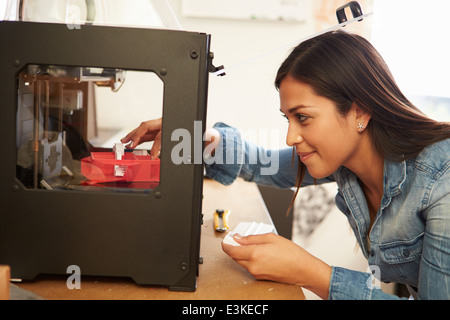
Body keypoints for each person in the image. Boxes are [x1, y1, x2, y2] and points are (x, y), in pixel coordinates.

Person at [121, 30, 450, 300]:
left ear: (360, 112)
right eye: (288, 118)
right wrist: (194, 138)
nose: (291, 136)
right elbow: (266, 165)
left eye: (303, 118)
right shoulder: (345, 161)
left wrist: (312, 273)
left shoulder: (442, 180)